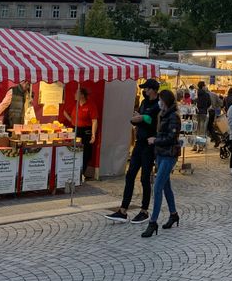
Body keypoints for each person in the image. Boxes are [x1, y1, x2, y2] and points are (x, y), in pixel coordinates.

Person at [106, 79, 160, 224]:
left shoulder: (158, 105)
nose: (144, 91)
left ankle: (144, 210)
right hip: (139, 143)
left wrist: (143, 118)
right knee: (130, 176)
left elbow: (152, 121)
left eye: (146, 88)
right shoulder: (144, 103)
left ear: (153, 90)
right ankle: (123, 210)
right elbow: (135, 119)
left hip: (149, 145)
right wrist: (141, 118)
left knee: (144, 178)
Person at [142, 89, 181, 238]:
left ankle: (153, 222)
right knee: (166, 186)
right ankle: (173, 214)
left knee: (157, 187)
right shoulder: (163, 114)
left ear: (166, 101)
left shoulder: (174, 116)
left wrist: (155, 140)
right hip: (160, 154)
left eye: (161, 100)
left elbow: (171, 138)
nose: (159, 102)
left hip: (169, 155)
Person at [64, 87, 99, 180]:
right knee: (74, 151)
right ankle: (74, 172)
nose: (75, 95)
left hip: (86, 131)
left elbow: (94, 121)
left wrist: (93, 135)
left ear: (82, 95)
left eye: (77, 93)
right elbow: (64, 112)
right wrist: (72, 121)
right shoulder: (75, 104)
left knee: (85, 153)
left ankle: (81, 173)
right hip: (76, 130)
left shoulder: (90, 105)